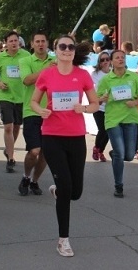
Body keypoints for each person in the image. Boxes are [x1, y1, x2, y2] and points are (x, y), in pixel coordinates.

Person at [30, 35, 99, 257]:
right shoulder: (47, 74)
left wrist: (85, 109)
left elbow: (96, 104)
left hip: (76, 137)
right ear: (56, 50)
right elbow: (33, 101)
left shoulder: (82, 75)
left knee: (75, 192)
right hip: (52, 137)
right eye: (63, 46)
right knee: (67, 187)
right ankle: (63, 240)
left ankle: (59, 190)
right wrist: (40, 111)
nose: (67, 50)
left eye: (71, 47)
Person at [97, 50, 138, 198]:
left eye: (123, 58)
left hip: (130, 117)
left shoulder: (133, 76)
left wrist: (135, 102)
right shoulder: (107, 79)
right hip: (113, 119)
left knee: (129, 155)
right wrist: (103, 98)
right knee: (120, 153)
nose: (120, 60)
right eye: (117, 58)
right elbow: (98, 99)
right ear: (111, 61)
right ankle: (119, 186)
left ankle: (116, 154)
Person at [18, 32, 56, 196]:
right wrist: (46, 70)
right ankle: (26, 177)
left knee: (46, 153)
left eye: (43, 41)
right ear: (32, 44)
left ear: (47, 43)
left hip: (51, 112)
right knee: (34, 151)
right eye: (37, 42)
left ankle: (34, 181)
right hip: (31, 110)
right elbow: (27, 80)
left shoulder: (56, 61)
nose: (41, 44)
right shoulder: (25, 61)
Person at [0, 30, 30, 172]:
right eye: (11, 41)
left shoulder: (26, 56)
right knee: (8, 126)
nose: (14, 43)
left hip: (22, 96)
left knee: (16, 127)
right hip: (5, 96)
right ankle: (11, 158)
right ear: (6, 44)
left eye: (16, 40)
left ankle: (9, 149)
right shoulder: (1, 57)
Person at [90, 51, 111, 163]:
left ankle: (100, 150)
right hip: (98, 106)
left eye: (107, 59)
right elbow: (92, 91)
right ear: (99, 62)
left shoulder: (113, 73)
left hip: (111, 107)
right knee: (102, 129)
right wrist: (100, 98)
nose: (105, 62)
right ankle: (96, 148)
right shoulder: (95, 74)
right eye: (102, 60)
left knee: (108, 130)